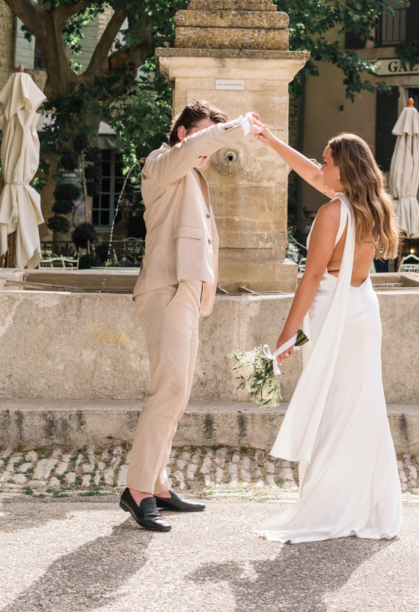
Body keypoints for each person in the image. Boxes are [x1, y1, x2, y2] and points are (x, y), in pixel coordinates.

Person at [248, 125, 403, 543]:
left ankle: (330, 505)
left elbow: (312, 277)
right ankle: (365, 502)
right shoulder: (374, 207)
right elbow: (312, 175)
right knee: (361, 404)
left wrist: (286, 334)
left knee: (333, 407)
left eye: (326, 161)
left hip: (334, 312)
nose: (320, 167)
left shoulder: (331, 214)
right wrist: (273, 142)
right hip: (362, 310)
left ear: (343, 171)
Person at [119, 100, 261, 532]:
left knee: (176, 394)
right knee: (169, 389)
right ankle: (138, 489)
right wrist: (238, 126)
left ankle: (158, 484)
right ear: (183, 133)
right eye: (202, 135)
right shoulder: (161, 163)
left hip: (186, 293)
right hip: (164, 289)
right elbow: (198, 144)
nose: (208, 147)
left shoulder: (194, 176)